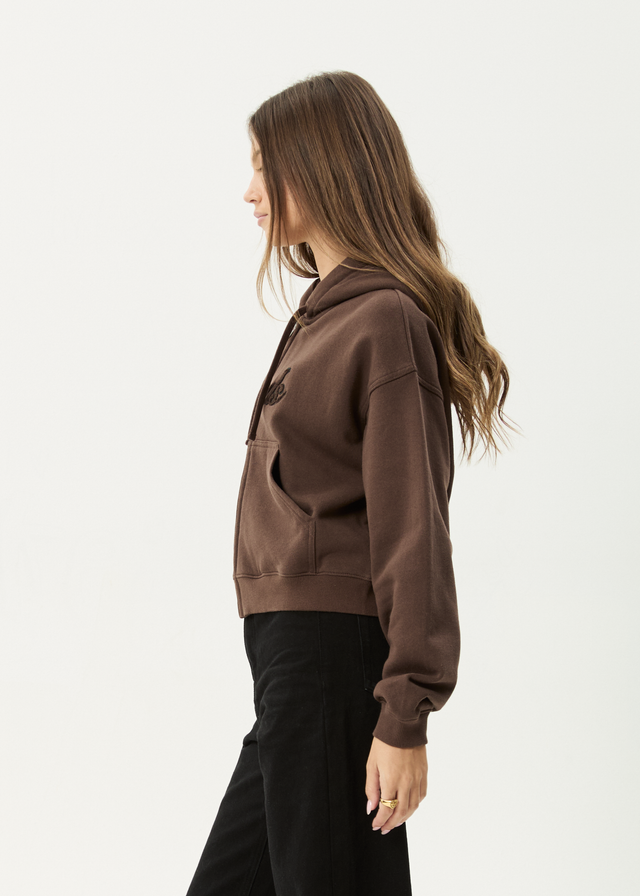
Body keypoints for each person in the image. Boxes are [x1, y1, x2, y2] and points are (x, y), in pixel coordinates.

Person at [184, 70, 517, 896]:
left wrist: (404, 713)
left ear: (320, 166)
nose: (249, 192)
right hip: (291, 664)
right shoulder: (324, 317)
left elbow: (413, 529)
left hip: (328, 657)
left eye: (264, 166)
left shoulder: (383, 320)